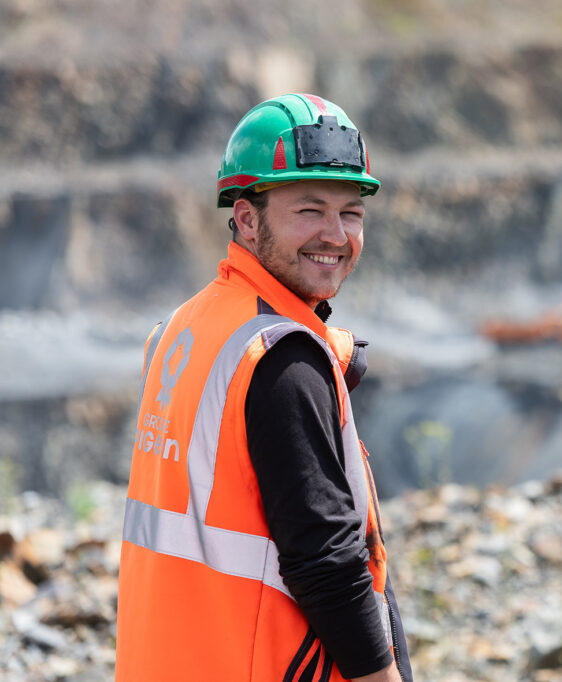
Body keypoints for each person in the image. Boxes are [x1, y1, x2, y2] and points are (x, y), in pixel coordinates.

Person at [115, 93, 413, 682]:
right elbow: (326, 562)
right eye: (309, 210)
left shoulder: (181, 329)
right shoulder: (279, 358)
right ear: (248, 219)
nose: (336, 234)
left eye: (351, 213)